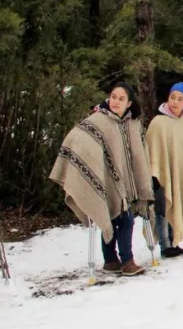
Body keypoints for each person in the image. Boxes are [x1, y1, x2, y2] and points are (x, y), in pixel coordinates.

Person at [50, 83, 153, 276]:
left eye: (121, 99)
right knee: (123, 219)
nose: (115, 101)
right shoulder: (97, 121)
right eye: (113, 97)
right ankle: (127, 261)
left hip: (126, 180)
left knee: (117, 219)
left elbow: (140, 152)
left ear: (129, 103)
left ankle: (111, 261)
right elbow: (76, 138)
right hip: (106, 179)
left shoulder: (133, 123)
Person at [145, 82, 183, 258]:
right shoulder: (158, 123)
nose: (175, 102)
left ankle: (175, 241)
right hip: (161, 176)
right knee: (164, 208)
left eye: (180, 99)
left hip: (182, 174)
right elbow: (152, 150)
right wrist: (155, 174)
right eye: (172, 97)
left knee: (178, 204)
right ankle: (165, 245)